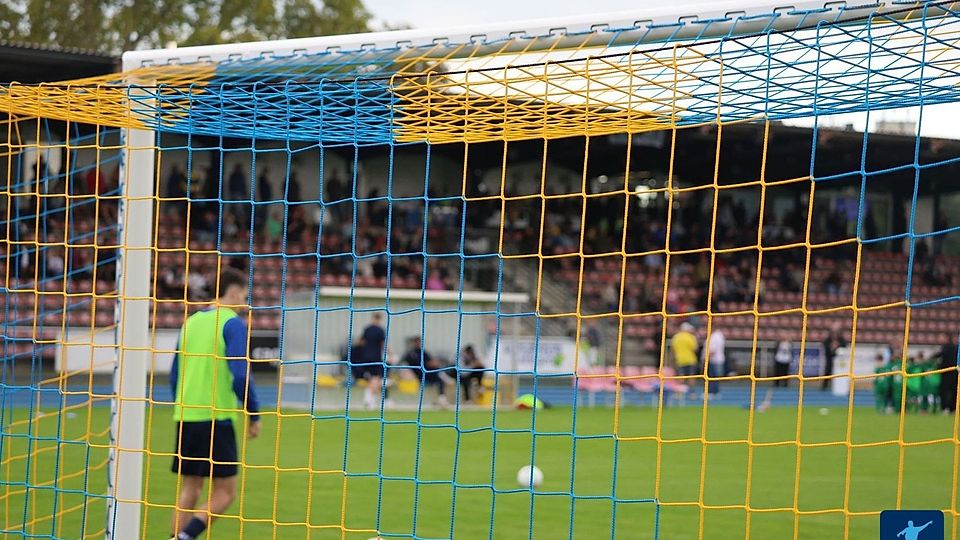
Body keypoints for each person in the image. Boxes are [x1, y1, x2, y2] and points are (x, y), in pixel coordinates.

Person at [169, 267, 260, 540]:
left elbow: (174, 374)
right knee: (225, 492)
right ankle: (185, 537)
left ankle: (174, 536)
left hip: (186, 416)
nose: (245, 302)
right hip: (216, 417)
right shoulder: (232, 323)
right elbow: (240, 374)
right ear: (232, 292)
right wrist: (253, 412)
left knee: (190, 489)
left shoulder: (191, 321)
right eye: (244, 295)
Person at [401, 336, 453, 406]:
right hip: (421, 374)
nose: (418, 343)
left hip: (426, 373)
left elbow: (431, 362)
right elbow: (403, 363)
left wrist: (435, 362)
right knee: (438, 372)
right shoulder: (410, 354)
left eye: (419, 342)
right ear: (414, 343)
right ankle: (444, 379)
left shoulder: (423, 352)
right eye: (417, 342)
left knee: (439, 376)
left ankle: (441, 398)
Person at [356, 312, 388, 409]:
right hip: (375, 358)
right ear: (379, 319)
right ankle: (369, 398)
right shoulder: (380, 330)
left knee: (371, 378)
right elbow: (383, 344)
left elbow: (360, 342)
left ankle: (370, 399)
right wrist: (389, 354)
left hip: (365, 357)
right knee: (376, 378)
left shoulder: (367, 329)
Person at [821, 323, 847, 391]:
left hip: (838, 360)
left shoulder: (841, 339)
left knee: (840, 373)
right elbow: (824, 345)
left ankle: (839, 386)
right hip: (829, 358)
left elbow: (845, 345)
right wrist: (831, 346)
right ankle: (824, 386)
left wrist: (838, 345)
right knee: (827, 371)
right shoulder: (828, 339)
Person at [938, 333, 959, 414]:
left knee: (945, 391)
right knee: (953, 391)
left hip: (948, 373)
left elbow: (943, 358)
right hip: (952, 373)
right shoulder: (952, 347)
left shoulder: (948, 348)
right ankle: (952, 408)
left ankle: (946, 408)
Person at [704, 326, 725, 396]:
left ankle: (712, 392)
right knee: (715, 377)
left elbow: (713, 349)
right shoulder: (719, 335)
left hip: (714, 360)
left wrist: (707, 359)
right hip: (718, 359)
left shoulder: (714, 337)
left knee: (712, 377)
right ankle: (715, 392)